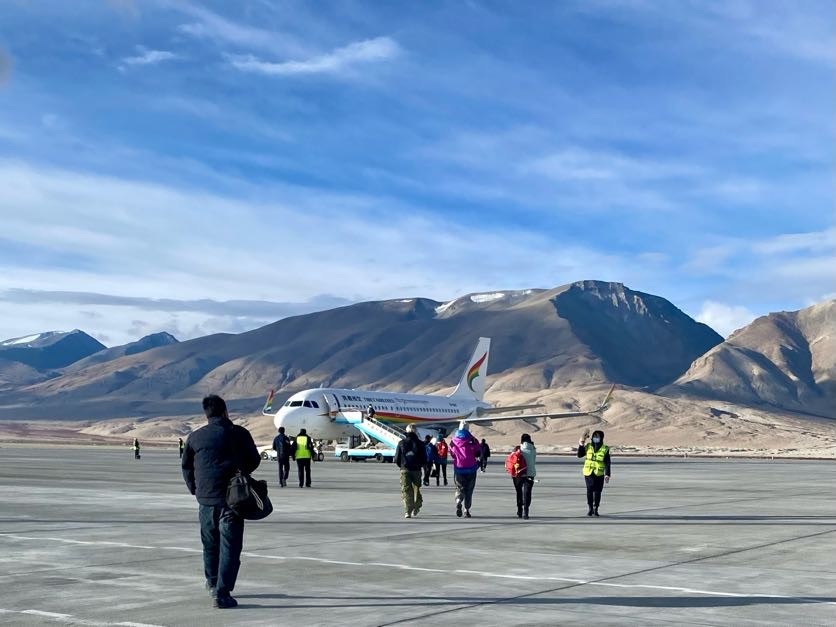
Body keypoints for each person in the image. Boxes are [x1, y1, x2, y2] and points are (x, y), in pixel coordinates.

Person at [181, 394, 260, 609]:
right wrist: (240, 474)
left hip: (205, 501)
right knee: (230, 547)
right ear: (226, 412)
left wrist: (195, 488)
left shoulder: (196, 437)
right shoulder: (239, 434)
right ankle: (222, 593)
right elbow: (254, 459)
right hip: (232, 501)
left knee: (210, 544)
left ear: (206, 414)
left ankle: (212, 582)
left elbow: (186, 466)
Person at [449, 421, 481, 518]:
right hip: (471, 468)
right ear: (467, 428)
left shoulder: (453, 441)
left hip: (459, 468)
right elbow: (478, 452)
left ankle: (458, 500)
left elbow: (452, 454)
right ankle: (466, 510)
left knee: (459, 487)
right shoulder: (473, 440)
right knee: (469, 490)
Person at [394, 424, 426, 518]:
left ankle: (407, 511)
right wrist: (421, 466)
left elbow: (396, 458)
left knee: (406, 490)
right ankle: (416, 508)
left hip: (405, 469)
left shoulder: (401, 443)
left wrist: (402, 466)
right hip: (416, 470)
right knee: (416, 490)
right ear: (416, 432)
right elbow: (424, 458)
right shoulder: (420, 443)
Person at [577, 429, 611, 517]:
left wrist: (607, 474)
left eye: (598, 437)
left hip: (599, 473)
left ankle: (596, 508)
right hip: (588, 472)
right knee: (589, 490)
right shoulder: (588, 446)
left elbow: (607, 462)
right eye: (594, 436)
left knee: (598, 491)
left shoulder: (605, 449)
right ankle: (590, 508)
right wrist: (581, 445)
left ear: (601, 438)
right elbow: (580, 455)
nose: (596, 438)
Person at [514, 434, 537, 519]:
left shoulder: (518, 449)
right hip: (530, 473)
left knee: (519, 492)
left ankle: (519, 510)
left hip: (519, 474)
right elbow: (533, 461)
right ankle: (526, 511)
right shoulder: (533, 449)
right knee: (527, 493)